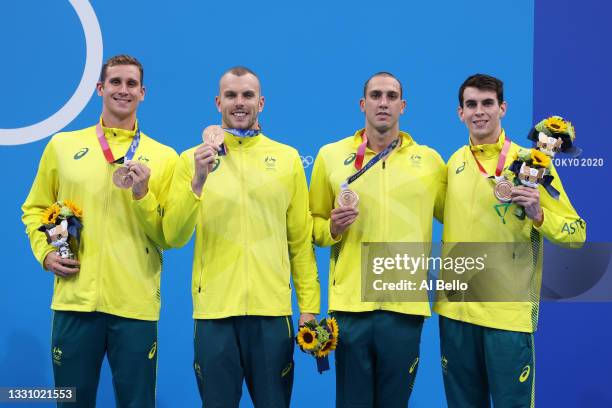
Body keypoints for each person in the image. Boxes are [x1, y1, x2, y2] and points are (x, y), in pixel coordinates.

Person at [21, 54, 178, 407]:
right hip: (74, 302)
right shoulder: (62, 146)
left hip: (134, 306)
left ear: (143, 93)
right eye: (116, 82)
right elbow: (34, 209)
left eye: (131, 84)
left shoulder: (164, 157)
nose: (123, 90)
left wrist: (143, 196)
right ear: (100, 88)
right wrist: (45, 253)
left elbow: (169, 235)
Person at [163, 66, 320, 408]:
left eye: (247, 95)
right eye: (231, 95)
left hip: (272, 314)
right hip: (214, 315)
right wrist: (198, 182)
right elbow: (173, 236)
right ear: (218, 102)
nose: (239, 102)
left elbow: (300, 241)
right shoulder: (191, 159)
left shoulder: (287, 158)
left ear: (261, 102)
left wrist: (308, 308)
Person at [434, 74, 586, 407]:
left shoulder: (533, 164)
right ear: (460, 113)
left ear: (502, 108)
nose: (479, 112)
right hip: (455, 313)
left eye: (488, 103)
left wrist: (539, 215)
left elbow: (577, 231)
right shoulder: (454, 163)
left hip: (507, 315)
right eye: (471, 104)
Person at [309, 72, 446, 407]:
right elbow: (312, 226)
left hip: (404, 306)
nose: (383, 102)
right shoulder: (330, 155)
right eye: (375, 95)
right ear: (362, 104)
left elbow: (459, 218)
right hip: (350, 307)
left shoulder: (429, 161)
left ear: (403, 105)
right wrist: (333, 229)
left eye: (391, 96)